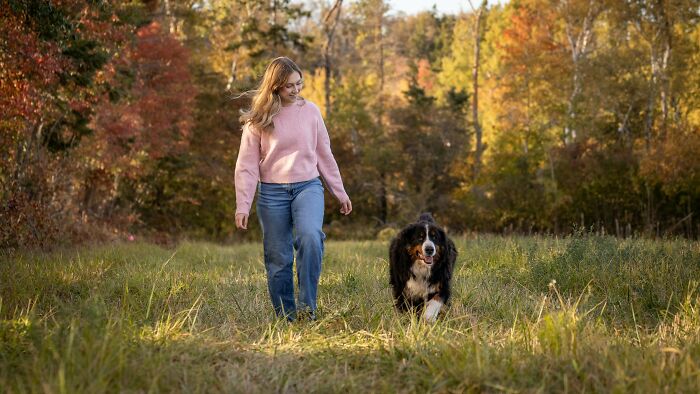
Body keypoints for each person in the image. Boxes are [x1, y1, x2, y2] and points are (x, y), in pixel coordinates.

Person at [234, 57, 352, 321]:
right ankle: (285, 317)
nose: (296, 90)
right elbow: (247, 166)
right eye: (289, 86)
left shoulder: (310, 111)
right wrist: (243, 204)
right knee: (278, 259)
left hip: (307, 187)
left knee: (310, 237)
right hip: (271, 194)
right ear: (275, 86)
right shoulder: (258, 120)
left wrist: (339, 191)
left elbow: (324, 153)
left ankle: (307, 309)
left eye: (299, 84)